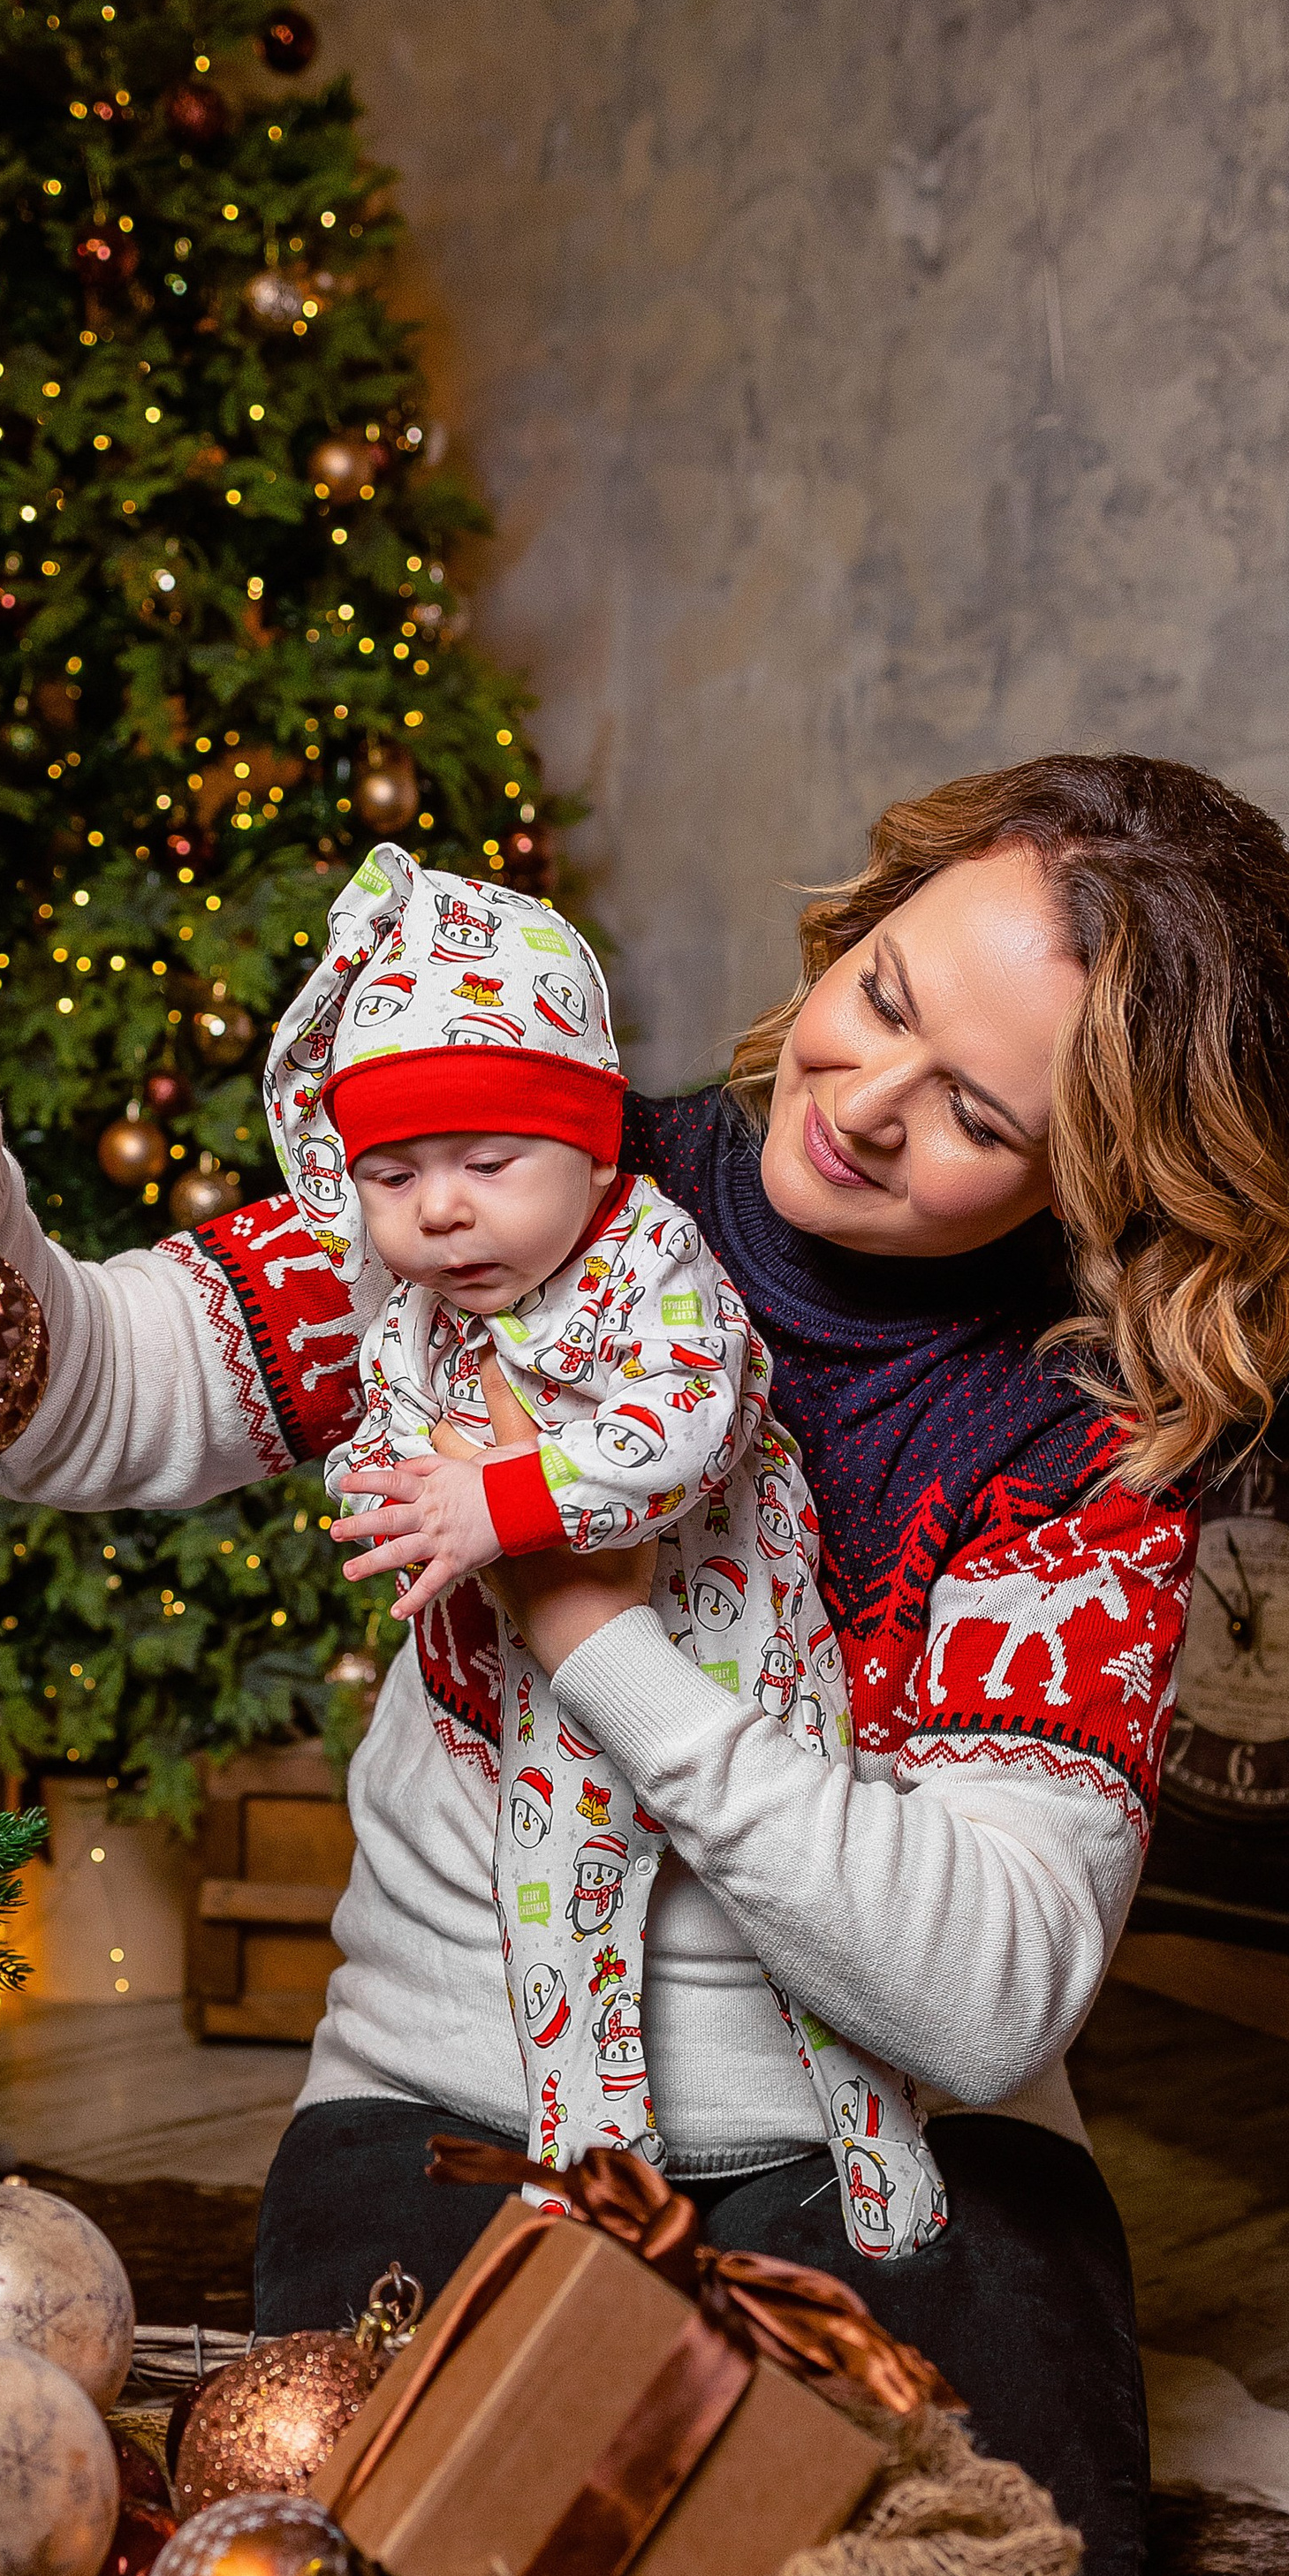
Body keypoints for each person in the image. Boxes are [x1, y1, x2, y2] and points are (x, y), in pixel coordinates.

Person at [0, 751, 1289, 2576]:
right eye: (891, 1003)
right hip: (464, 2108)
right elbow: (83, 1406)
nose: (860, 1104)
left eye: (977, 1118)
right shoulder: (521, 1170)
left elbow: (978, 1991)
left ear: (1088, 1177)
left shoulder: (1066, 1444)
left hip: (889, 2151)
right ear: (856, 925)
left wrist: (590, 1624)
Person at [262, 838, 942, 2240]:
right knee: (555, 1921)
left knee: (794, 1931)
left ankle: (875, 2141)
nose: (440, 1210)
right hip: (560, 1702)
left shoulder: (654, 1260)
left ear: (586, 1145)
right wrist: (401, 1494)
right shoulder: (415, 1312)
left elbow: (687, 1425)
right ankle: (597, 2174)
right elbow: (395, 1427)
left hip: (742, 1656)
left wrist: (493, 1505)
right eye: (390, 1175)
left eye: (488, 1163)